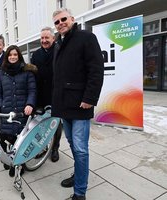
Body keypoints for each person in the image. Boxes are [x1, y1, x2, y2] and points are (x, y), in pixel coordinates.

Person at [52, 8, 104, 200]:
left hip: (81, 104)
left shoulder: (85, 37)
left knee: (80, 148)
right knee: (73, 145)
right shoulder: (59, 42)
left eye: (63, 19)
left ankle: (80, 192)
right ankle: (78, 175)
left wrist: (90, 98)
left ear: (72, 19)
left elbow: (96, 70)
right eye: (56, 22)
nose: (60, 23)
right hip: (64, 105)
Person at [0, 45, 37, 177]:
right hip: (7, 112)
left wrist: (30, 104)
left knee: (20, 141)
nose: (13, 57)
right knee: (6, 138)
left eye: (15, 55)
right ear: (7, 57)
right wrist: (1, 105)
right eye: (10, 55)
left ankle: (19, 164)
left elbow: (32, 90)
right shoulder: (2, 72)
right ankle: (10, 161)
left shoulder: (27, 71)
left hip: (22, 112)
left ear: (19, 56)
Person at [31, 27, 63, 163]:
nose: (44, 41)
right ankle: (43, 148)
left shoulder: (60, 50)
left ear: (53, 38)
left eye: (47, 38)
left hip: (56, 94)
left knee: (56, 124)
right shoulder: (36, 54)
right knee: (41, 124)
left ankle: (55, 148)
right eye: (42, 38)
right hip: (40, 96)